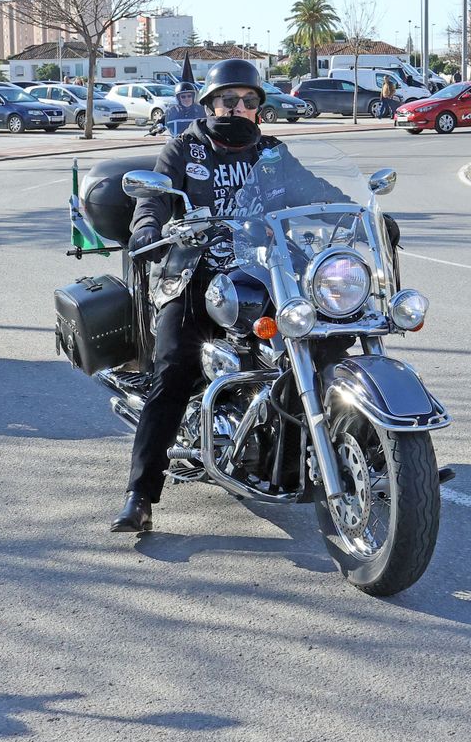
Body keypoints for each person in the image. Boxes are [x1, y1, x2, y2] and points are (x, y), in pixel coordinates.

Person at [112, 59, 344, 533]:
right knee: (175, 369)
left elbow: (316, 192)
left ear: (259, 107)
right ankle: (140, 493)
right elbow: (152, 201)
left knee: (328, 338)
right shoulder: (184, 149)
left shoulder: (273, 153)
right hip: (195, 275)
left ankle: (364, 447)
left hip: (266, 273)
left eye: (248, 100)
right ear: (210, 104)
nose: (238, 107)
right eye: (228, 99)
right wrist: (148, 228)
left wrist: (357, 211)